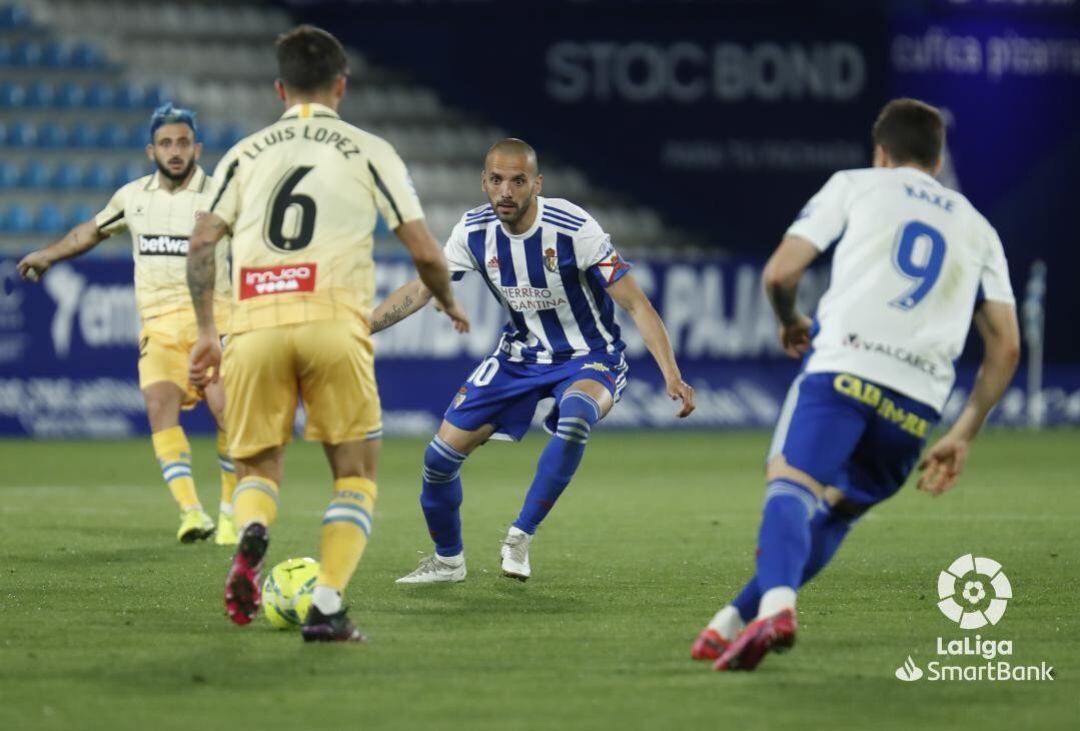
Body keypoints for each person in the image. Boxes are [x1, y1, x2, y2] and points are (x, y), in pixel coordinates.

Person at [692, 98, 1021, 671]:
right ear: (938, 161)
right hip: (915, 405)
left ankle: (776, 606)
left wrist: (789, 318)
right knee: (835, 513)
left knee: (790, 489)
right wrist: (964, 433)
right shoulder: (979, 228)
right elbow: (1008, 346)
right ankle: (730, 622)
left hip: (843, 372)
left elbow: (780, 271)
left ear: (881, 153)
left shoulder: (856, 184)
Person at [186, 25, 468, 642]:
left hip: (254, 325)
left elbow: (202, 241)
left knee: (257, 465)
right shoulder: (370, 149)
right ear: (342, 85)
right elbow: (424, 250)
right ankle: (328, 608)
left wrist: (208, 330)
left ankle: (253, 529)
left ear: (280, 87)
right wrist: (446, 300)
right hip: (334, 323)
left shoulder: (244, 153)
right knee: (355, 473)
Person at [371, 138, 695, 585]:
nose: (506, 191)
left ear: (536, 184)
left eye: (518, 181)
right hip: (518, 357)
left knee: (577, 416)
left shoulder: (573, 227)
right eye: (497, 180)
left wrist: (671, 374)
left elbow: (637, 305)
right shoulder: (473, 231)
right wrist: (362, 327)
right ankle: (448, 561)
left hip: (589, 356)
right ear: (484, 182)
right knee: (438, 459)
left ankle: (520, 536)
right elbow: (422, 288)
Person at [18, 104, 239, 545]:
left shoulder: (222, 196)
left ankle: (231, 514)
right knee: (160, 406)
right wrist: (48, 254)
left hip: (215, 322)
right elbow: (91, 232)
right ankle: (191, 512)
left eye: (181, 143)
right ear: (150, 150)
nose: (174, 152)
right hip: (158, 325)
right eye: (165, 144)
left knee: (226, 410)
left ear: (197, 147)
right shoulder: (132, 198)